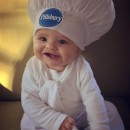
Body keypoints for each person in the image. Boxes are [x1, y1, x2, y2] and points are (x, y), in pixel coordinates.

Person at [21, 0, 124, 130]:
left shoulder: (81, 68)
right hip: (46, 117)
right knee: (29, 121)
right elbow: (29, 100)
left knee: (109, 111)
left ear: (78, 50)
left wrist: (99, 125)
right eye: (42, 39)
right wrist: (55, 120)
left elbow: (92, 98)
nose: (50, 46)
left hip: (80, 115)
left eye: (62, 41)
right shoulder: (33, 66)